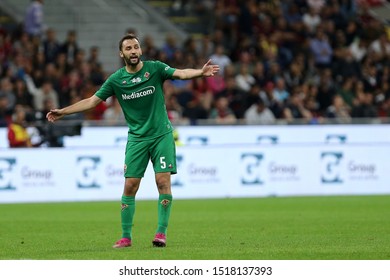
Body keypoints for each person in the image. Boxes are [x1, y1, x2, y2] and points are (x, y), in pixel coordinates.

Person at [46, 33, 219, 248]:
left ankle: (161, 233)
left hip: (161, 135)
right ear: (122, 53)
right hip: (137, 139)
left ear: (141, 50)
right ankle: (126, 236)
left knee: (162, 182)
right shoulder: (116, 80)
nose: (134, 51)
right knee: (130, 186)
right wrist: (63, 111)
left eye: (136, 47)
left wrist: (200, 73)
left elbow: (181, 73)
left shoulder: (154, 68)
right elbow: (92, 101)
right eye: (128, 48)